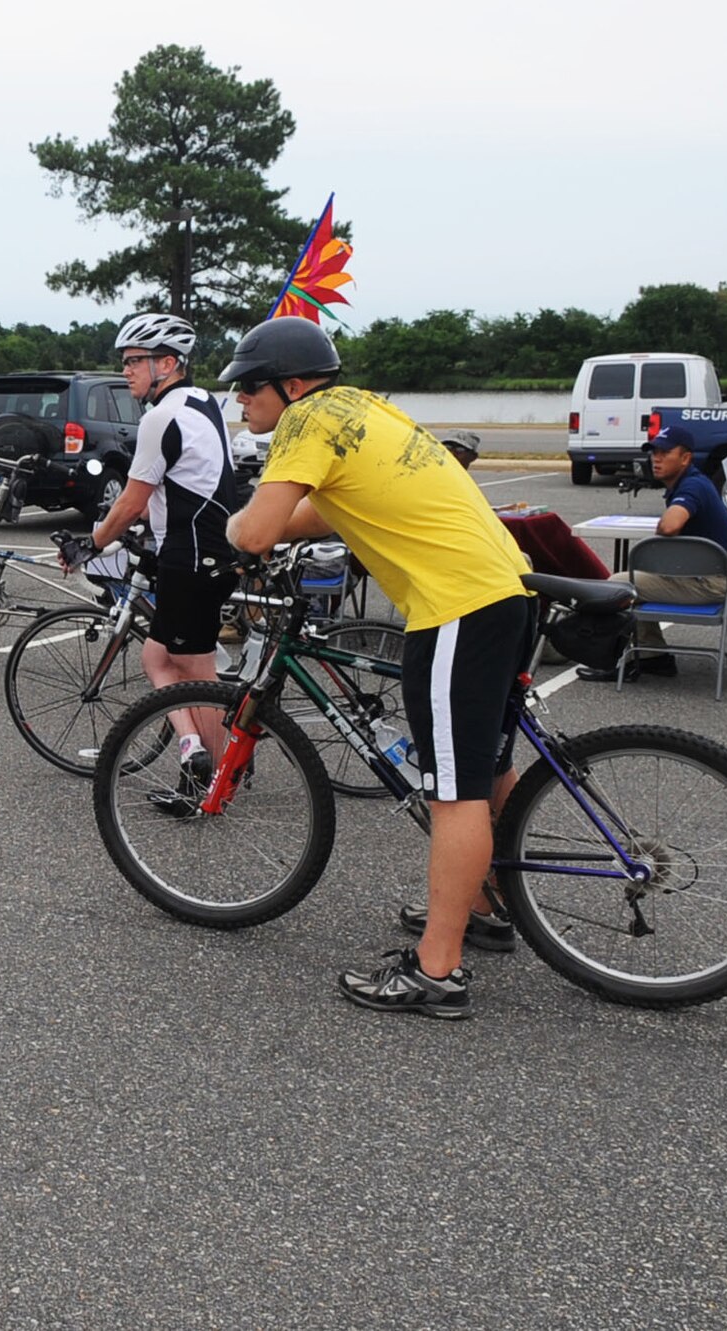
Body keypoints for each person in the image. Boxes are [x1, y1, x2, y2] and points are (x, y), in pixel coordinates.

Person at [221, 316, 537, 1020]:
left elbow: (261, 528)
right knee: (487, 766)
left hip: (456, 606)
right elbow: (331, 511)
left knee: (451, 789)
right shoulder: (363, 408)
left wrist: (234, 531)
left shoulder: (305, 421)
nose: (242, 402)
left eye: (249, 387)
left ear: (292, 385)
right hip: (508, 589)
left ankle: (438, 970)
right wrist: (269, 524)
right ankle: (486, 904)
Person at [74, 313, 242, 814]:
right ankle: (194, 750)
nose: (126, 372)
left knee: (197, 675)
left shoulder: (160, 417)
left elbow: (130, 501)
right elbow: (167, 490)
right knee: (156, 658)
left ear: (167, 363)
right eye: (124, 362)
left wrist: (92, 541)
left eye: (134, 362)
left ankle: (215, 785)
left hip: (191, 556)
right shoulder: (201, 402)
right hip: (202, 548)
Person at [573, 424, 727, 684]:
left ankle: (630, 655)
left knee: (619, 585)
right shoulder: (689, 483)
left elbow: (671, 525)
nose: (656, 459)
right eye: (654, 453)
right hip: (704, 579)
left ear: (685, 458)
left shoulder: (693, 485)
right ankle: (652, 656)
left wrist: (663, 525)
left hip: (708, 584)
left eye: (664, 453)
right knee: (633, 582)